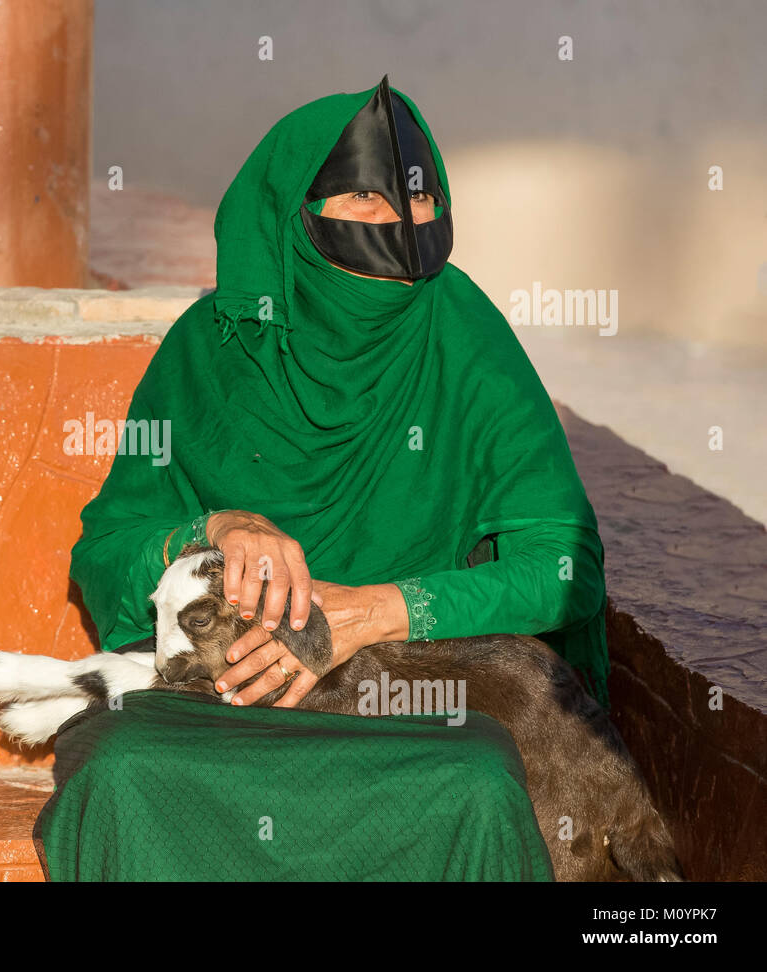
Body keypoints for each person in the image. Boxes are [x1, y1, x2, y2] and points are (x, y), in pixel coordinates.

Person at [37, 77, 609, 882]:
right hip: (219, 697)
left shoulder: (463, 336)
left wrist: (377, 614)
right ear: (293, 217)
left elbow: (565, 568)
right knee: (121, 772)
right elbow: (106, 557)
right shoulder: (211, 350)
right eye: (366, 201)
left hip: (411, 693)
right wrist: (218, 527)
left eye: (418, 202)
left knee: (477, 783)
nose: (401, 227)